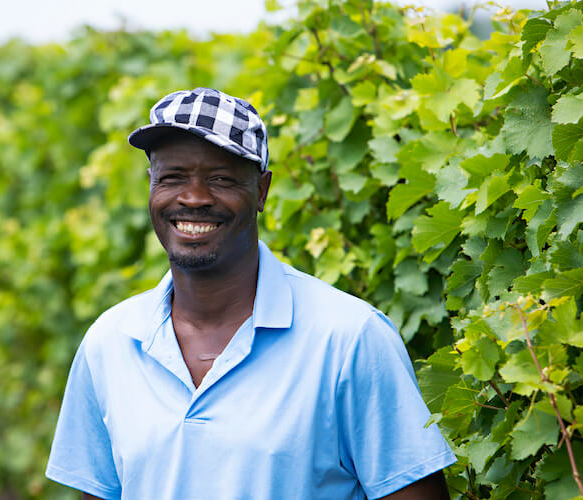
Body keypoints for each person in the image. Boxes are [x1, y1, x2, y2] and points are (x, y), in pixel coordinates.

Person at [46, 87, 456, 499]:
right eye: (172, 178)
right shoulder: (110, 343)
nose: (194, 198)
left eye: (221, 179)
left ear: (261, 191)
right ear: (151, 187)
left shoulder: (350, 338)